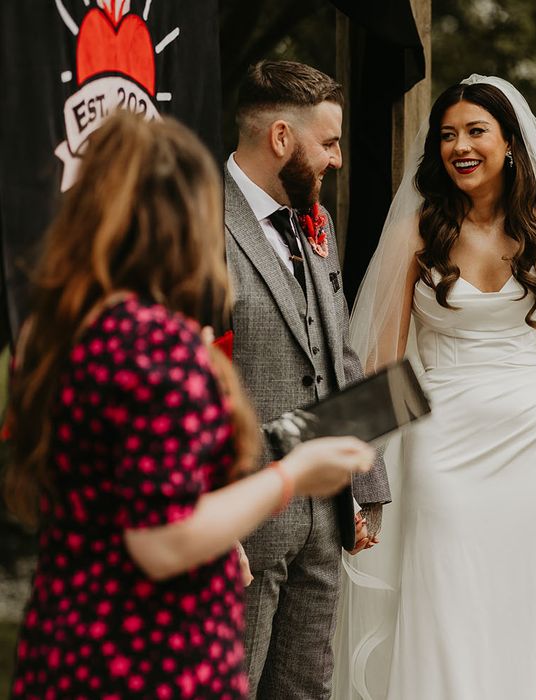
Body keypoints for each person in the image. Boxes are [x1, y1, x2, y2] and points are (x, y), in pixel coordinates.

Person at [4, 111, 375, 700]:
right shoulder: (155, 344)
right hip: (149, 654)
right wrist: (294, 473)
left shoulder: (58, 331)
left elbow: (126, 490)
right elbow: (162, 541)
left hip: (67, 640)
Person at [332, 75, 536, 699]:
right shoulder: (421, 226)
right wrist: (360, 474)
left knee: (523, 618)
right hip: (443, 443)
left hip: (535, 451)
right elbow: (384, 361)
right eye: (446, 135)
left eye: (474, 131)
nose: (459, 146)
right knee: (446, 611)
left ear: (510, 143)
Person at [224, 60, 390, 698]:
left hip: (323, 518)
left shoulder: (310, 223)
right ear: (282, 140)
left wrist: (366, 477)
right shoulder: (196, 221)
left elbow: (337, 355)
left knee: (305, 690)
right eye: (329, 142)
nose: (339, 159)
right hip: (240, 517)